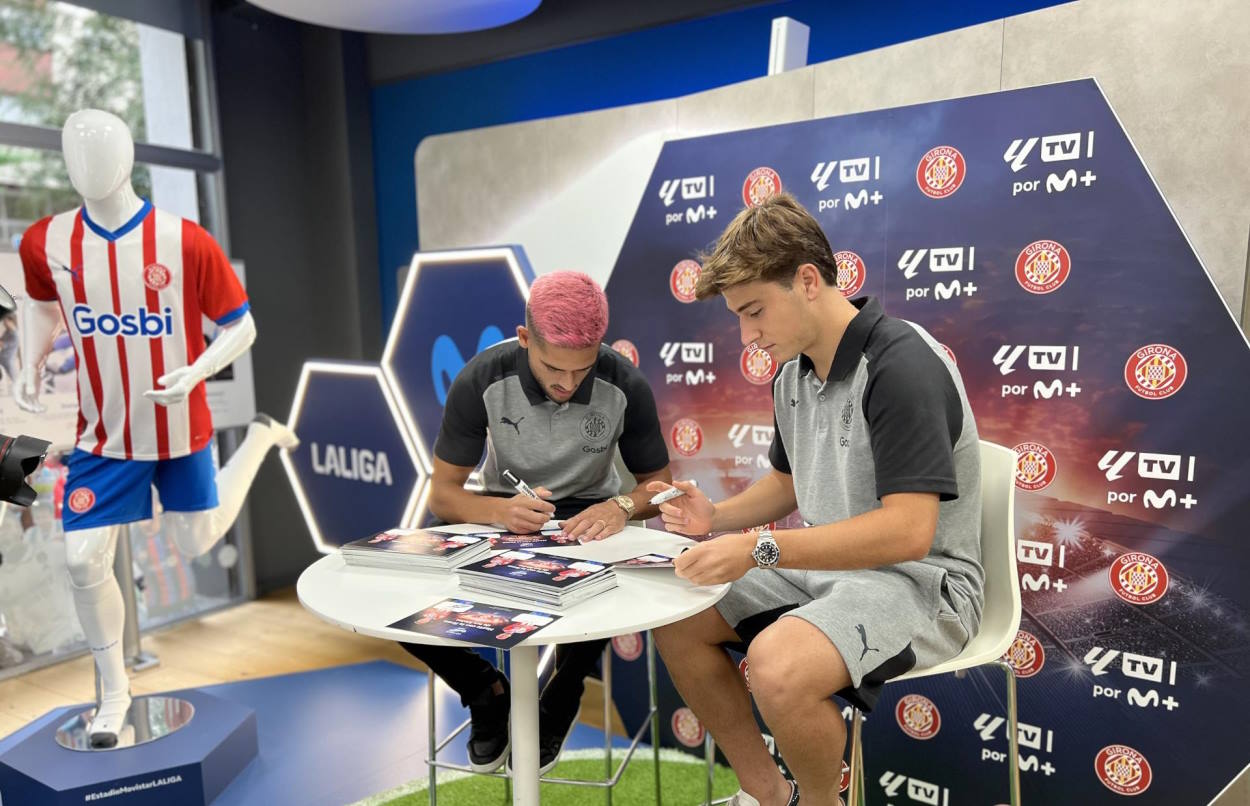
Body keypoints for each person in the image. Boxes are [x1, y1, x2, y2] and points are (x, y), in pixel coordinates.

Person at [649, 193, 982, 806]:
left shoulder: (901, 363)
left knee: (778, 665)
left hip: (924, 584)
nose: (747, 337)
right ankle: (769, 795)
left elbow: (909, 532)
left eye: (754, 313)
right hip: (829, 574)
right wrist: (716, 518)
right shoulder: (793, 373)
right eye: (738, 319)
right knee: (676, 611)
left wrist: (758, 549)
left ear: (807, 280)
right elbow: (787, 483)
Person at [405, 271, 672, 774]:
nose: (567, 385)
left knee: (607, 580)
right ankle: (484, 689)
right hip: (497, 509)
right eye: (554, 369)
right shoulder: (480, 378)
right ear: (524, 338)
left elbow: (659, 487)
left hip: (589, 514)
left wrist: (621, 508)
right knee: (398, 589)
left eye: (582, 370)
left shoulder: (625, 384)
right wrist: (498, 512)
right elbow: (443, 493)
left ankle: (564, 693)